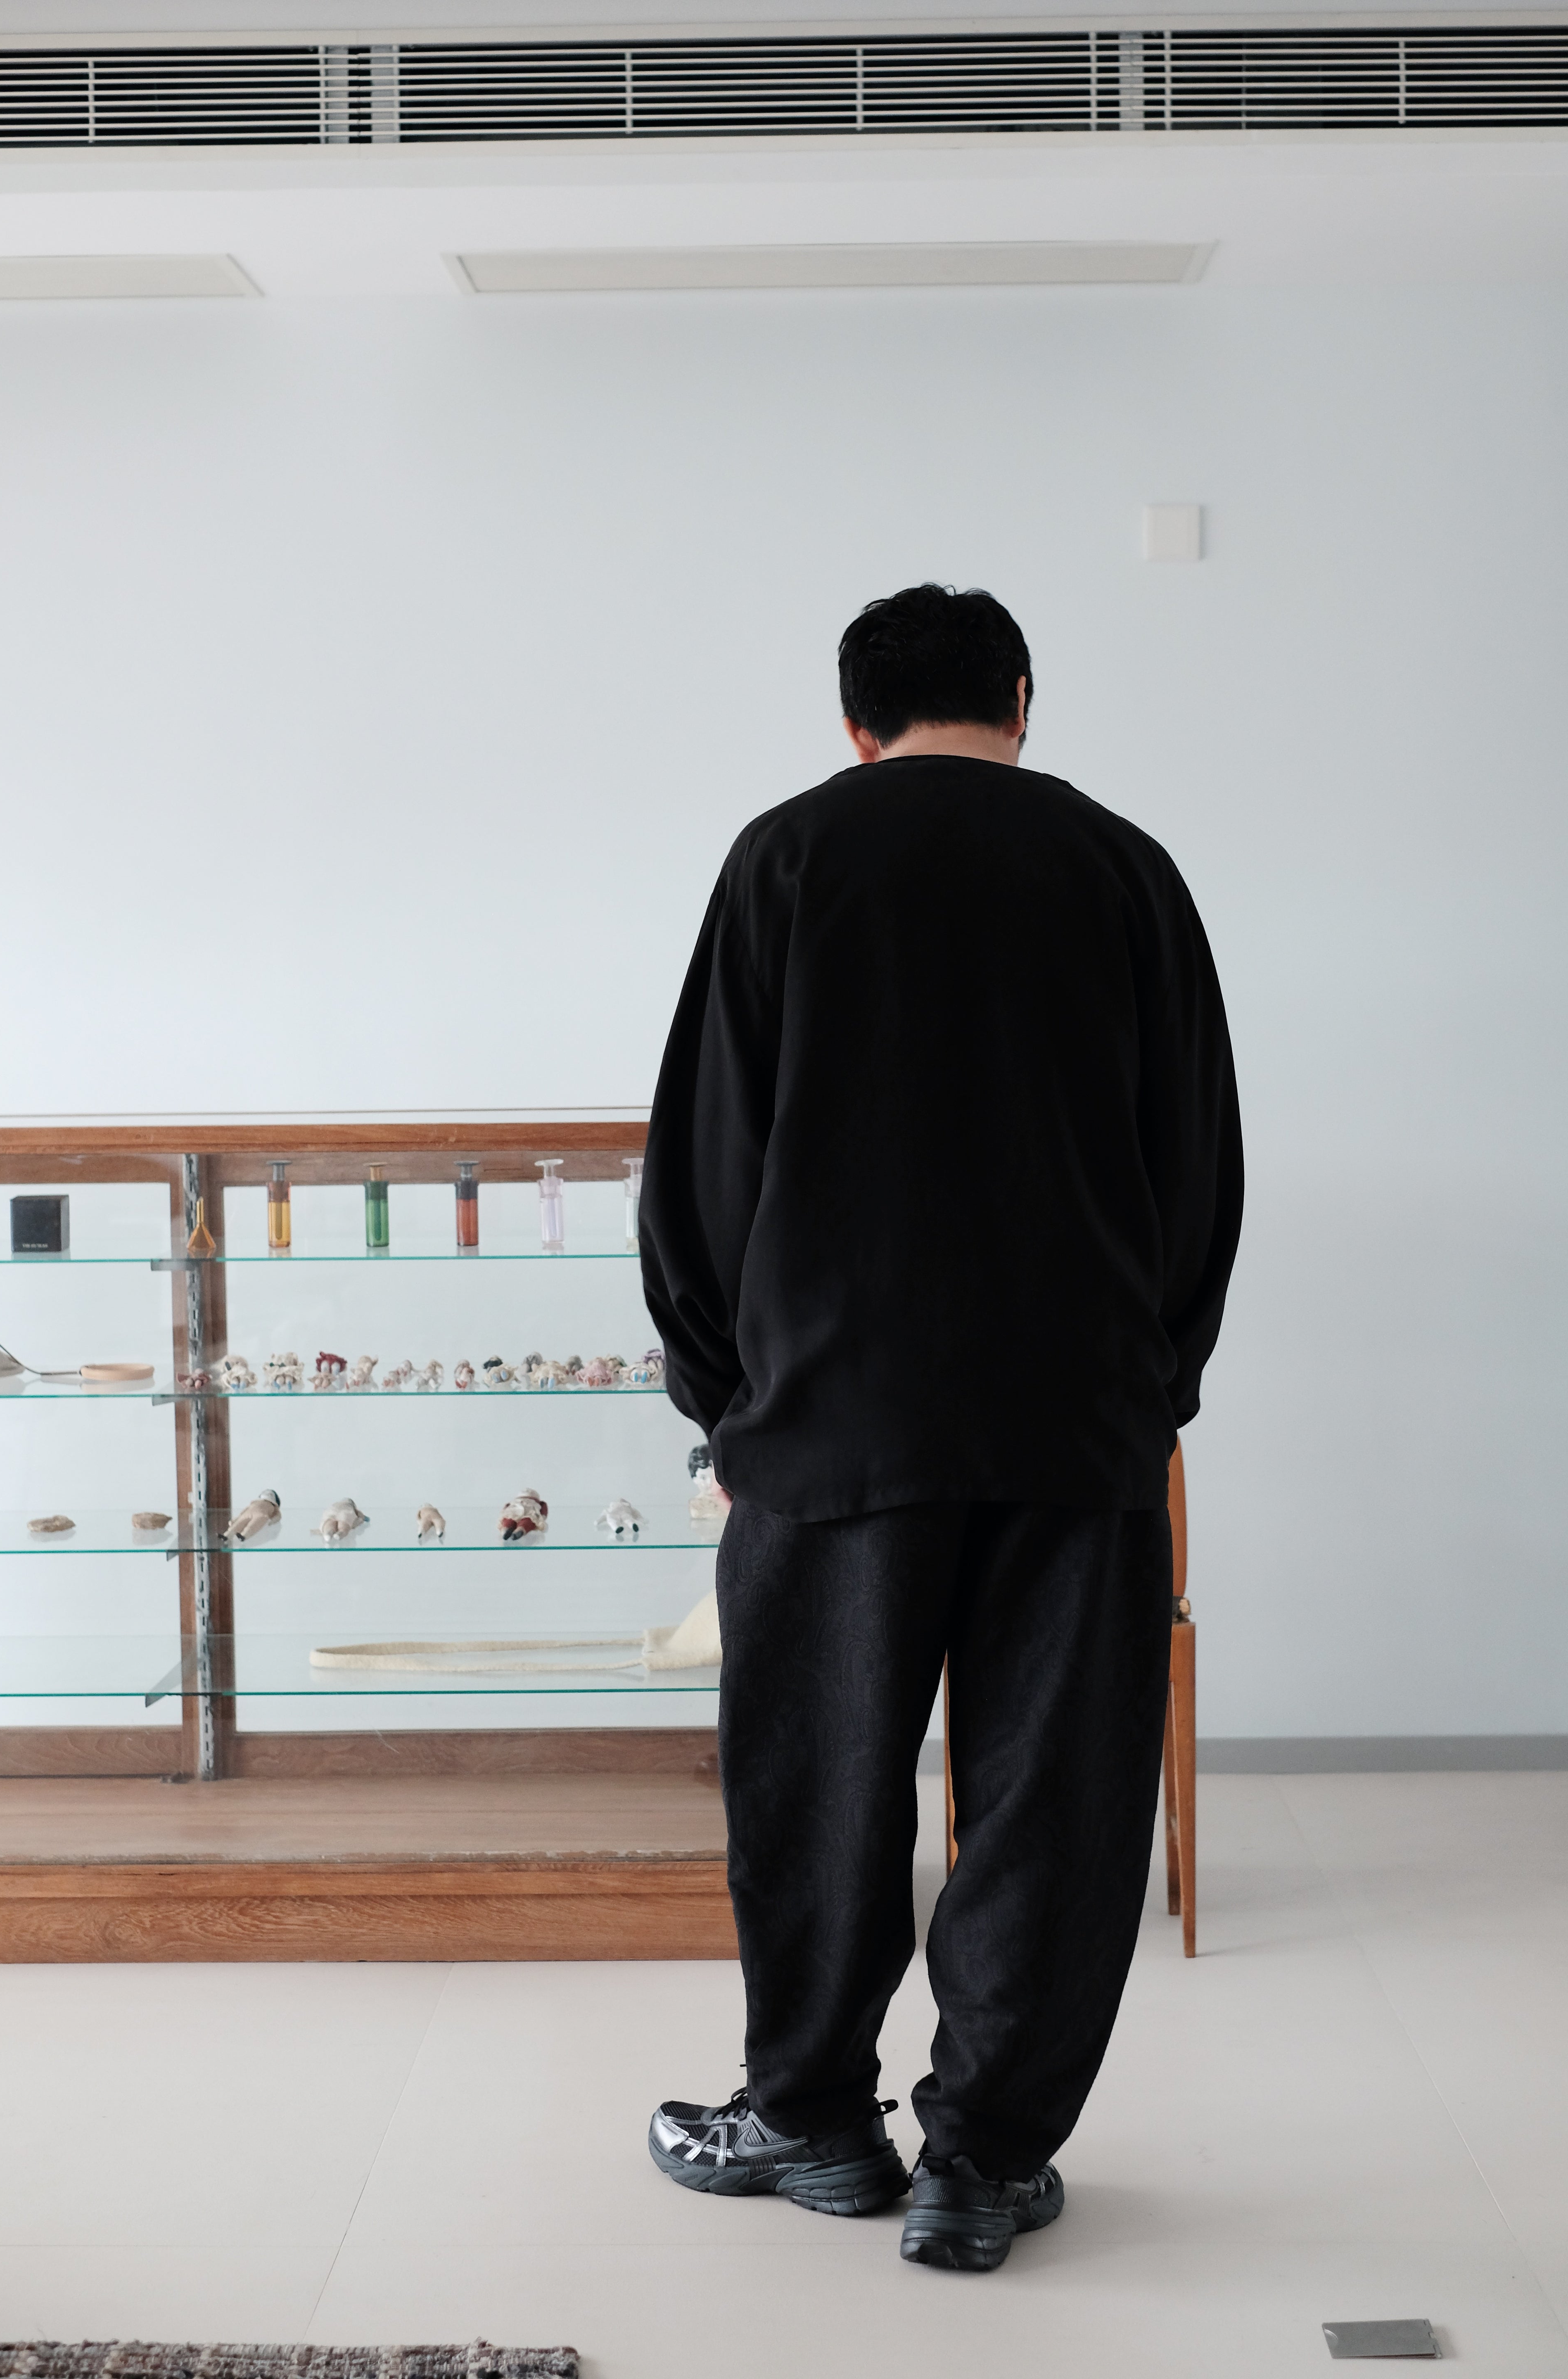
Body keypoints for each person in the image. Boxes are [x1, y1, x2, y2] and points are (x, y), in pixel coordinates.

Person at [638, 582, 1242, 2272]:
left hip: (832, 1418)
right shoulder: (1125, 870)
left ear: (855, 724)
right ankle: (982, 2164)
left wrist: (725, 1397)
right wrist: (1153, 1387)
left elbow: (706, 1156)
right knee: (1056, 1797)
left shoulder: (786, 859)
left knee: (820, 1785)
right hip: (1074, 1418)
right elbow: (1196, 1159)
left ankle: (815, 2121)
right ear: (1024, 699)